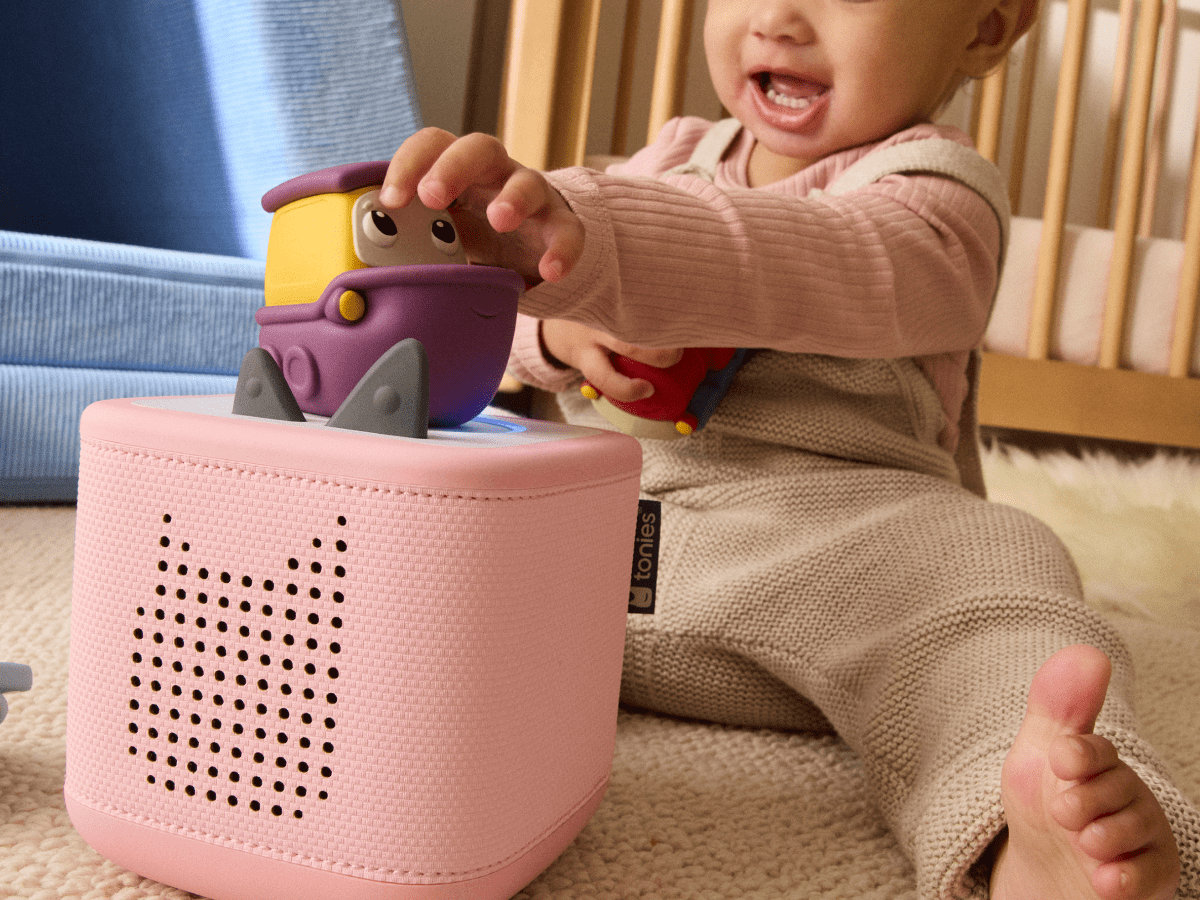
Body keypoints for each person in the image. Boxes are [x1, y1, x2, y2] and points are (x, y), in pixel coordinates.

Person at [381, 0, 1195, 897]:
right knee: (429, 524)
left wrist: (604, 244)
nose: (779, 18)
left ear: (986, 28)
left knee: (1006, 582)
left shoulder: (940, 194)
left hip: (850, 556)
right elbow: (529, 335)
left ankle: (1027, 832)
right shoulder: (668, 159)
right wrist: (559, 332)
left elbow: (813, 261)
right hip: (616, 541)